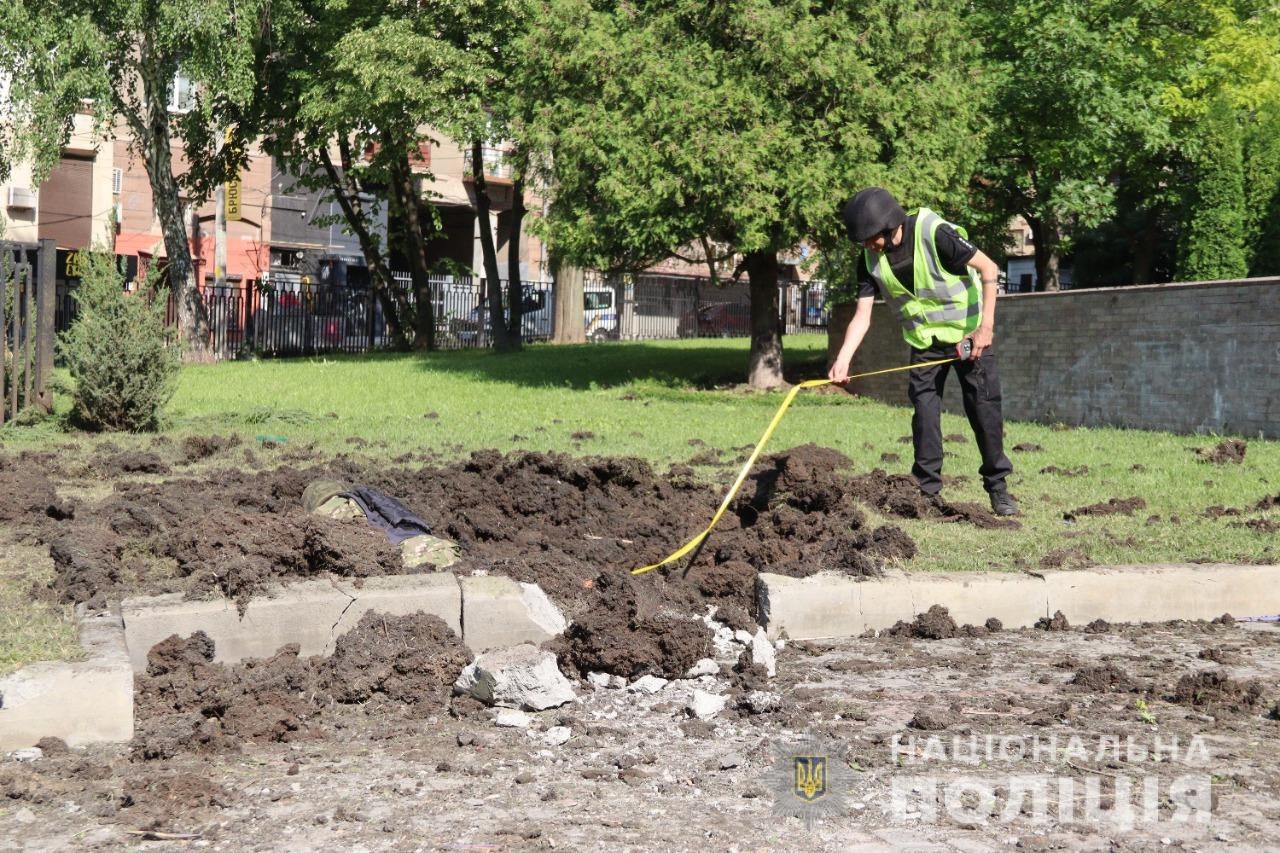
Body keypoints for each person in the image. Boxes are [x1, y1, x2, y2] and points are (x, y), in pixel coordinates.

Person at [828, 187, 1019, 516]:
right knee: (925, 414)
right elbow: (862, 316)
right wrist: (843, 358)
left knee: (984, 410)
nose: (866, 245)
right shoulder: (870, 260)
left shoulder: (935, 233)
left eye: (870, 237)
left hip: (969, 337)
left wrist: (985, 328)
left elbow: (989, 269)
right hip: (925, 343)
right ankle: (926, 491)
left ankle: (998, 487)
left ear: (890, 226)